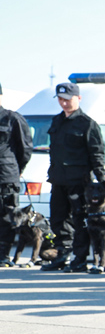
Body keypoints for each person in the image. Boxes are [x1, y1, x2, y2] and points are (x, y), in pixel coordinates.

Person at [39, 82, 105, 272]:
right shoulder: (56, 121)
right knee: (59, 219)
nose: (64, 103)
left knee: (79, 220)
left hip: (79, 181)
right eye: (60, 99)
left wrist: (101, 180)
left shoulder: (87, 124)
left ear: (78, 99)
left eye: (68, 100)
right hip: (59, 179)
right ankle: (62, 254)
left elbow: (97, 154)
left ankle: (80, 258)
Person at [0, 81, 32, 267]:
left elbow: (25, 148)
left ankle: (3, 255)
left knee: (7, 217)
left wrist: (15, 170)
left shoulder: (12, 119)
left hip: (5, 177)